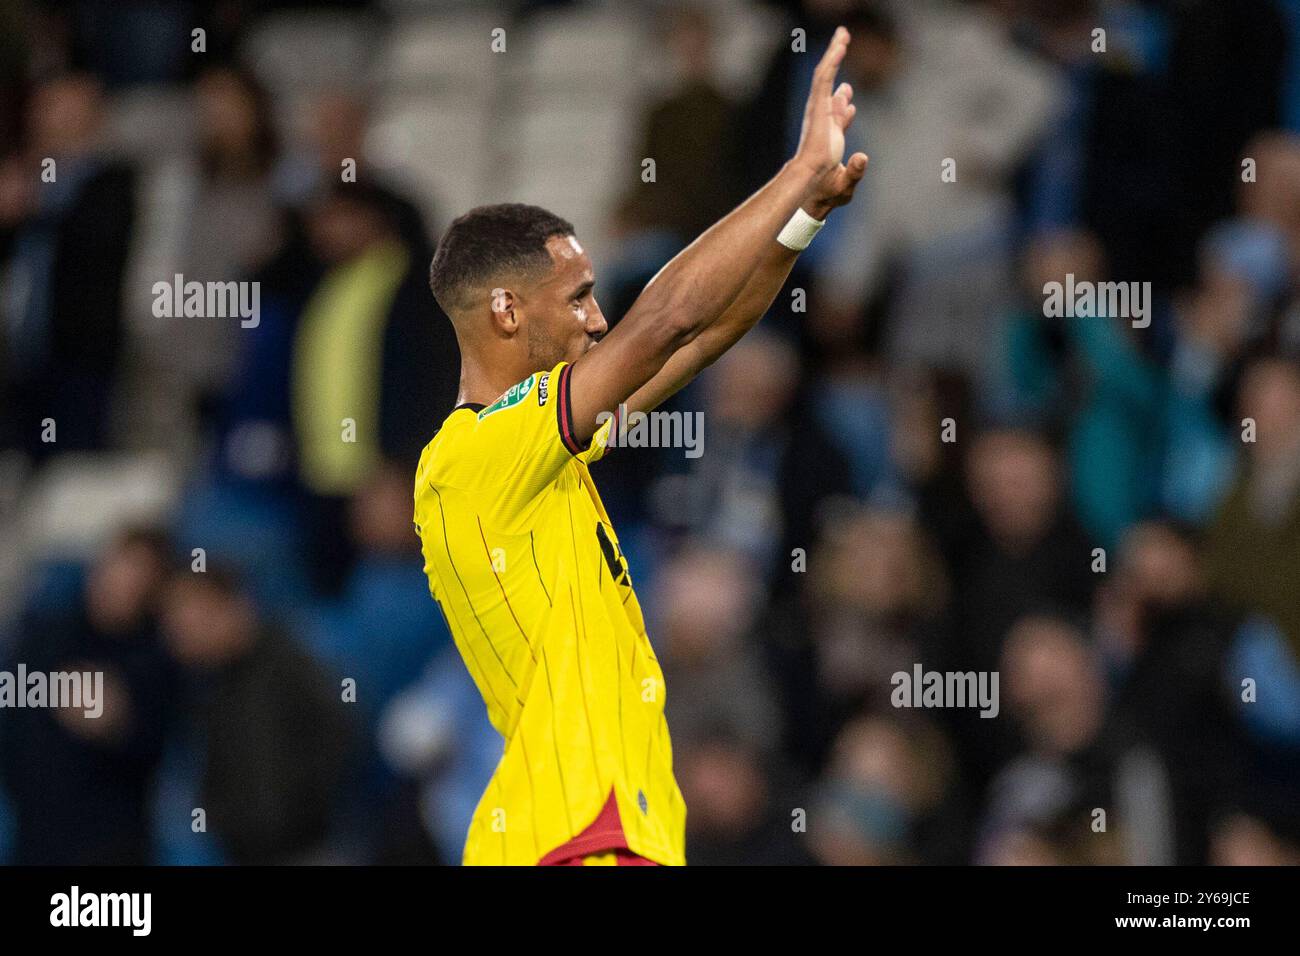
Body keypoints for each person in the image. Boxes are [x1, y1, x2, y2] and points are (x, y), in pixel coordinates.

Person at [413, 28, 869, 866]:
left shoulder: (541, 460)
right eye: (580, 297)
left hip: (604, 833)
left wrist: (803, 221)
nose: (596, 317)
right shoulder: (472, 456)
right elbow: (665, 318)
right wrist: (792, 174)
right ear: (507, 313)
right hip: (581, 837)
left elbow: (701, 340)